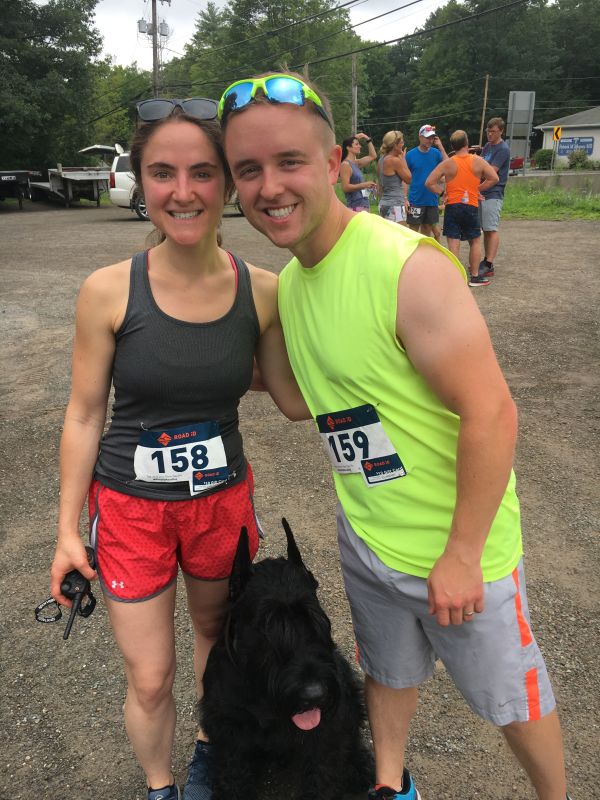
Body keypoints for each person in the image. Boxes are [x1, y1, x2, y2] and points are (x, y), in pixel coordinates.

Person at [218, 72, 571, 800]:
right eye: (247, 169)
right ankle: (389, 786)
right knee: (389, 670)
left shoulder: (405, 269)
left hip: (458, 552)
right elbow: (292, 399)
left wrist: (464, 554)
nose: (269, 186)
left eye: (289, 162)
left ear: (332, 165)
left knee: (512, 699)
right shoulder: (291, 285)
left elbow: (494, 412)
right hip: (370, 538)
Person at [50, 97, 308, 800]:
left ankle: (206, 756)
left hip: (220, 507)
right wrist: (67, 532)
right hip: (132, 511)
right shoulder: (107, 291)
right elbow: (82, 414)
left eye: (202, 173)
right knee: (152, 675)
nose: (183, 192)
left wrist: (394, 346)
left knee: (218, 648)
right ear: (140, 182)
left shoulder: (262, 292)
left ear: (226, 183)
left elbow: (292, 398)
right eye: (163, 173)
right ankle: (162, 787)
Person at [425, 129, 499, 287]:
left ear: (453, 145)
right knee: (475, 241)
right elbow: (494, 177)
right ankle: (474, 276)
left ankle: (454, 279)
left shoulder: (448, 163)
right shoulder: (477, 161)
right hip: (470, 205)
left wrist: (443, 192)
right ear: (466, 143)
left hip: (452, 205)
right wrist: (477, 189)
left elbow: (429, 182)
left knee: (453, 242)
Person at [479, 117, 511, 278]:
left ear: (501, 131)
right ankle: (486, 259)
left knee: (491, 229)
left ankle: (489, 264)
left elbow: (490, 171)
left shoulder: (503, 149)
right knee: (486, 228)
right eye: (488, 131)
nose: (490, 134)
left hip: (493, 193)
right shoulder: (487, 146)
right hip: (483, 193)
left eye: (493, 131)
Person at [405, 123, 448, 237]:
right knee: (413, 231)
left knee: (427, 231)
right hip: (415, 200)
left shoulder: (436, 153)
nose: (430, 140)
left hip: (431, 200)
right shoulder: (410, 155)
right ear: (420, 137)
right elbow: (405, 179)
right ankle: (413, 254)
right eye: (427, 137)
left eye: (432, 137)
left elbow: (449, 165)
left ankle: (425, 254)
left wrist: (441, 146)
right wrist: (405, 198)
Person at [376, 130, 411, 225]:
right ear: (395, 145)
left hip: (384, 203)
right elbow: (409, 179)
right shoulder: (394, 160)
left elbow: (380, 183)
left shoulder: (381, 160)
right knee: (400, 237)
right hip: (395, 204)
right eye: (401, 142)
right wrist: (403, 159)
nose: (403, 144)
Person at [340, 132, 378, 211]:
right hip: (355, 206)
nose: (360, 146)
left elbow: (373, 156)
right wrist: (364, 185)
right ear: (348, 147)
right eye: (357, 144)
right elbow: (345, 187)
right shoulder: (345, 165)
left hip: (363, 205)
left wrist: (368, 139)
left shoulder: (356, 163)